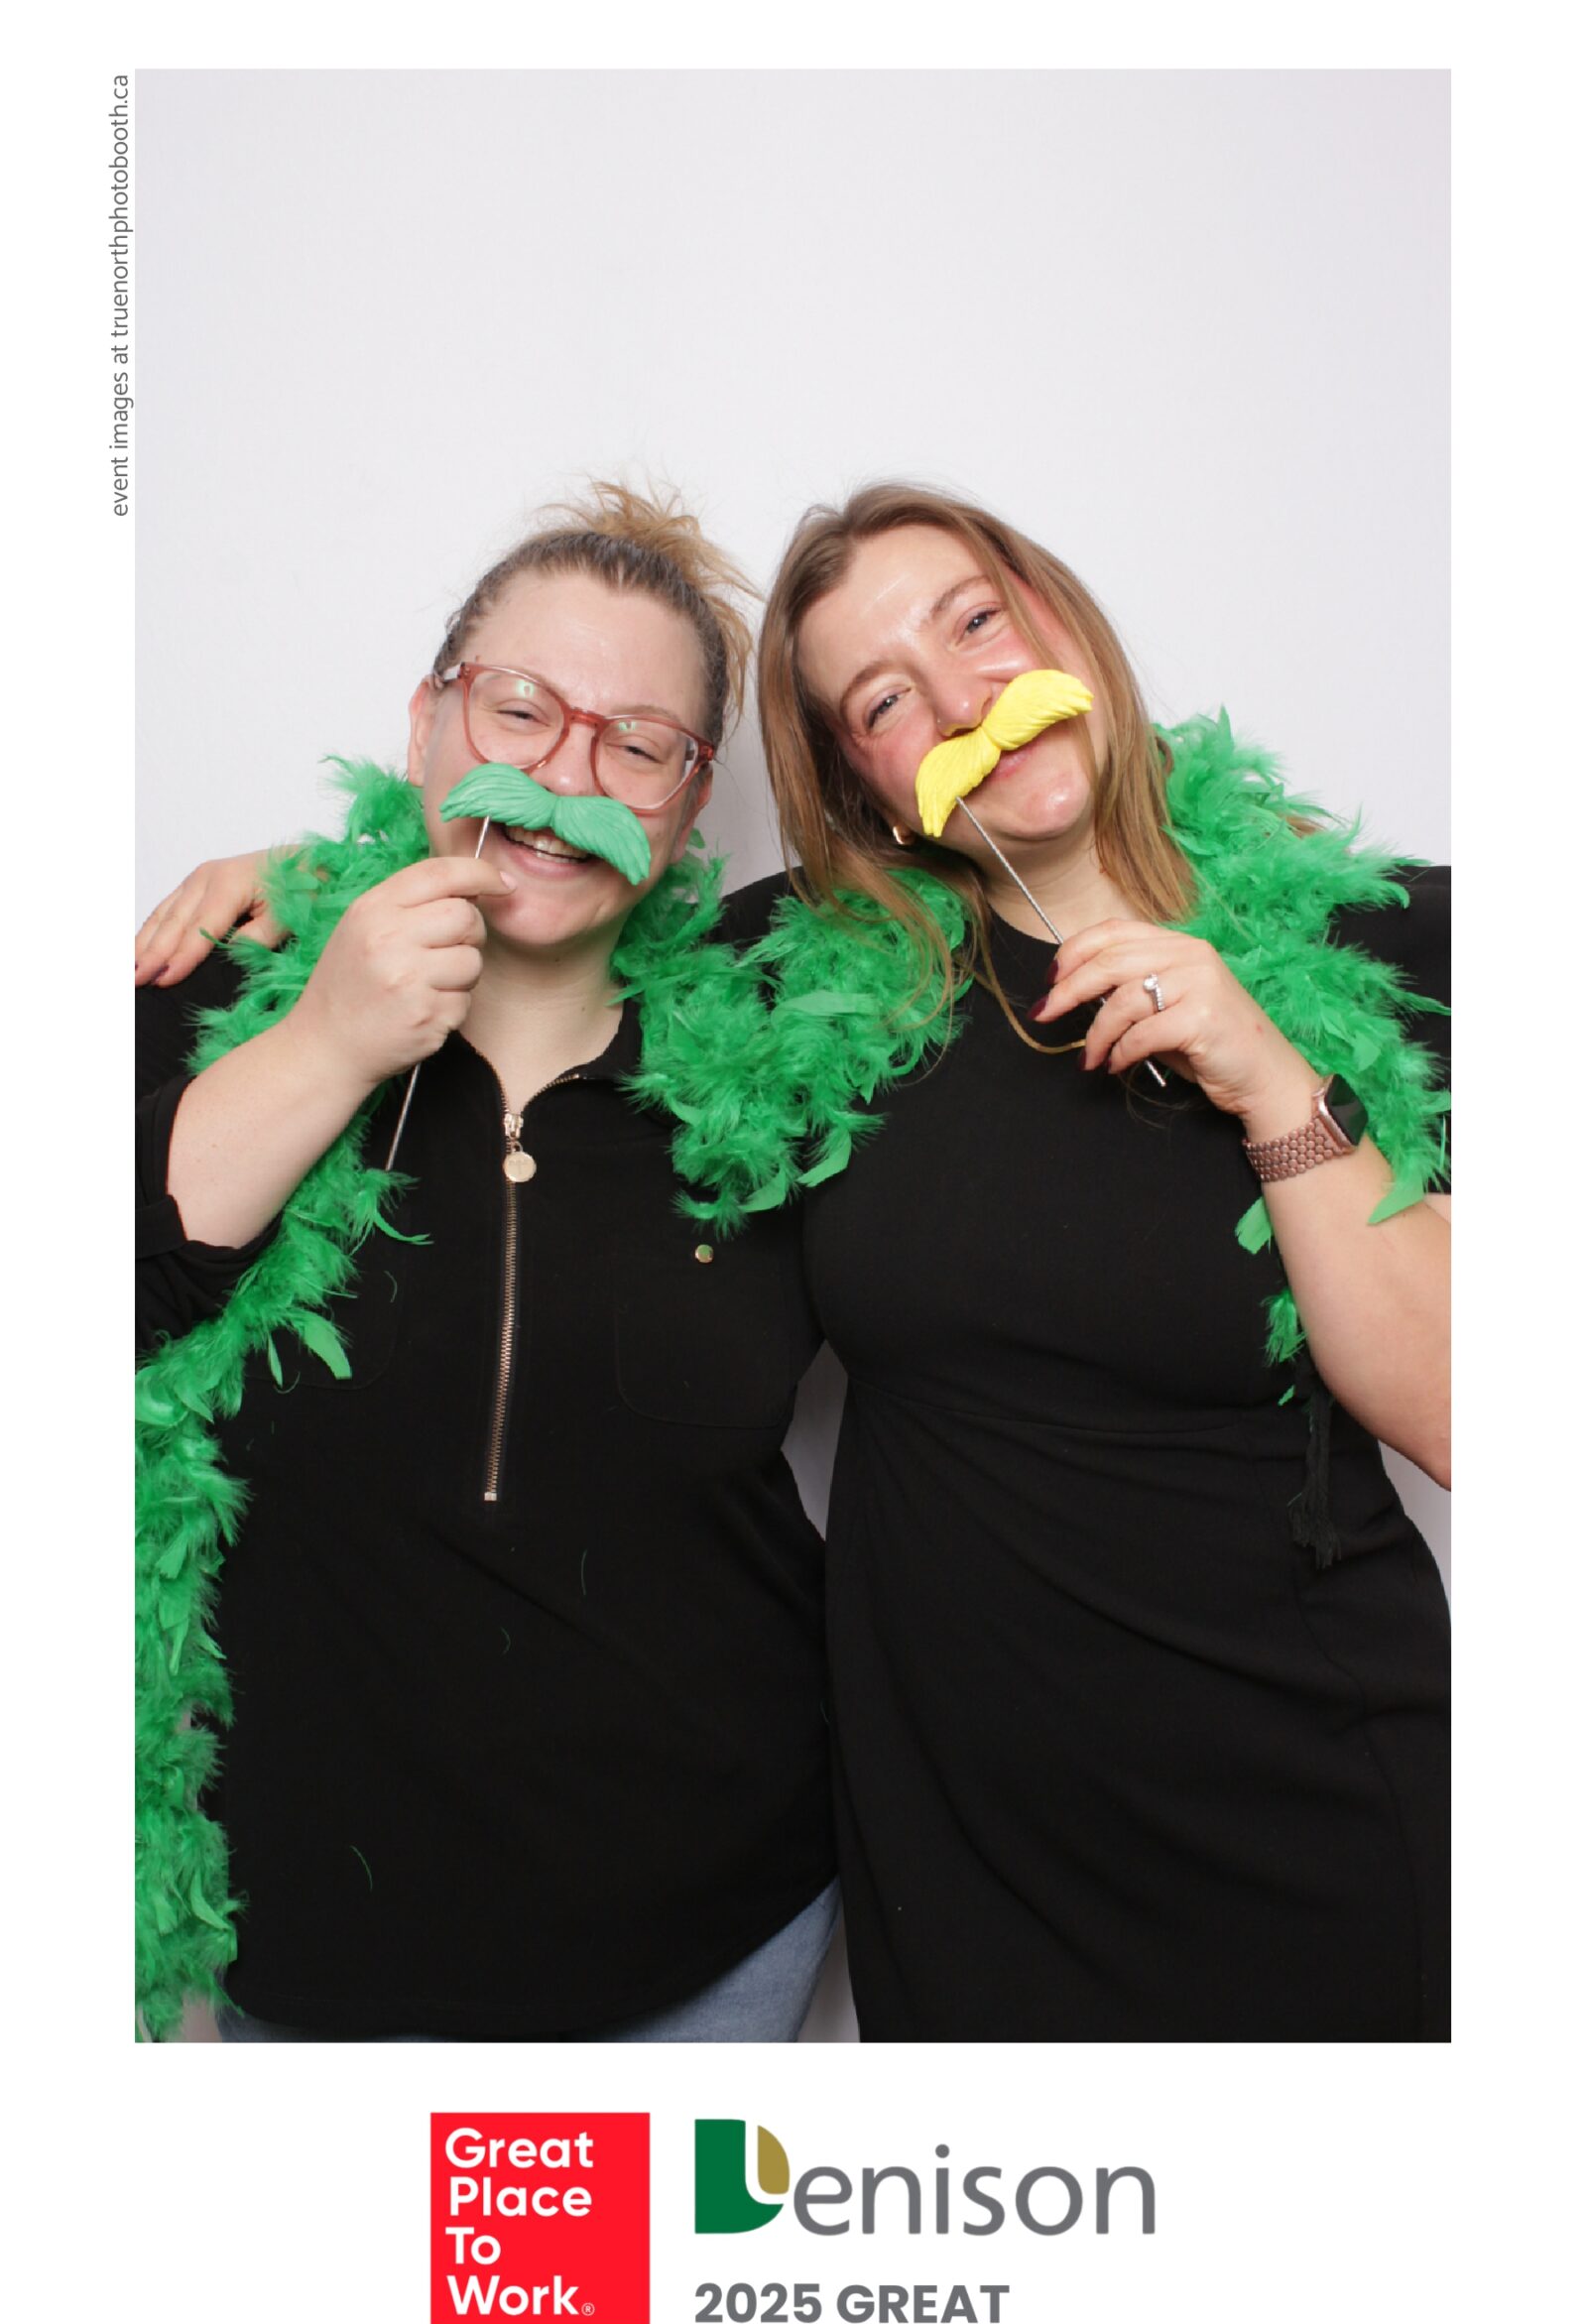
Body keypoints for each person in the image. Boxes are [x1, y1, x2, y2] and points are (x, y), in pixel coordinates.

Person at [748, 481, 1450, 2042]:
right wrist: (315, 881)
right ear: (869, 790)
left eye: (976, 623)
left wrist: (1272, 1079)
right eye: (886, 701)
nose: (965, 701)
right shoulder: (814, 989)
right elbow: (552, 936)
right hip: (971, 1855)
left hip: (1307, 1804)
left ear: (1059, 620)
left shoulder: (1387, 945)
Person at [136, 487, 839, 2043]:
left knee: (657, 2235)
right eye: (519, 711)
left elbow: (975, 916)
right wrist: (330, 1039)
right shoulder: (221, 1002)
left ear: (688, 807)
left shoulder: (788, 1058)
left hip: (716, 1934)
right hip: (311, 1936)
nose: (566, 778)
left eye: (637, 744)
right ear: (425, 723)